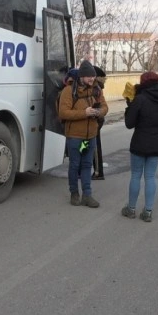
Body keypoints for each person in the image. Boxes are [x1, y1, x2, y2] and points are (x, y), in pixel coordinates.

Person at [122, 71, 158, 222]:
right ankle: (148, 211)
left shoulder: (140, 99)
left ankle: (131, 209)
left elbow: (129, 124)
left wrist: (129, 105)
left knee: (136, 175)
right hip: (157, 142)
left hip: (140, 142)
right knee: (150, 177)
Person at [58, 60, 108, 208]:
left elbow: (105, 106)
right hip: (75, 137)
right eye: (88, 77)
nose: (92, 79)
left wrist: (99, 112)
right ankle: (74, 193)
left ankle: (87, 195)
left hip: (89, 136)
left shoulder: (96, 89)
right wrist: (84, 113)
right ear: (81, 77)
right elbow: (63, 112)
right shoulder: (69, 91)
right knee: (75, 165)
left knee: (86, 165)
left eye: (92, 76)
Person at [92, 66, 107, 180]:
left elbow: (102, 106)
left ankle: (98, 172)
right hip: (94, 119)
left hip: (96, 120)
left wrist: (96, 112)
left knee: (95, 147)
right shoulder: (96, 86)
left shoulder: (96, 88)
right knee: (86, 145)